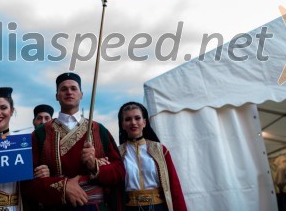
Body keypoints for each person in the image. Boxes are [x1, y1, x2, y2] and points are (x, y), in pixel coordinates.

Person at [21, 72, 125, 210]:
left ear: (81, 94)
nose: (69, 92)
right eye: (63, 89)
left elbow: (119, 172)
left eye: (73, 88)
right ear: (56, 96)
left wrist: (95, 165)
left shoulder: (99, 130)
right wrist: (63, 187)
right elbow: (27, 181)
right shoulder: (40, 134)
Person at [117, 102, 187, 211]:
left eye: (137, 118)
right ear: (122, 125)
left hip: (159, 207)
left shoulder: (160, 150)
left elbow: (174, 186)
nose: (133, 122)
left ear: (144, 122)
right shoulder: (117, 153)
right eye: (128, 119)